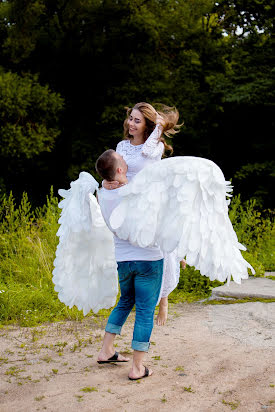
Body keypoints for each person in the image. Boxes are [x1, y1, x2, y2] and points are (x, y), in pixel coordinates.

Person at [103, 102, 185, 325]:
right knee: (133, 246)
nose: (131, 124)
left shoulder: (155, 146)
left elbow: (146, 153)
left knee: (158, 247)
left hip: (149, 201)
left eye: (137, 121)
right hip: (127, 201)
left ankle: (164, 299)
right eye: (130, 118)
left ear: (147, 124)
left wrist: (159, 127)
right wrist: (105, 181)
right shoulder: (121, 146)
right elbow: (114, 169)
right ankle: (134, 294)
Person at [96, 149, 164, 380]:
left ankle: (106, 350)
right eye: (123, 160)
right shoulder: (135, 192)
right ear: (119, 170)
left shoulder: (102, 193)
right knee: (145, 310)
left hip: (123, 259)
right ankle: (137, 367)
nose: (126, 160)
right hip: (149, 259)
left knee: (125, 301)